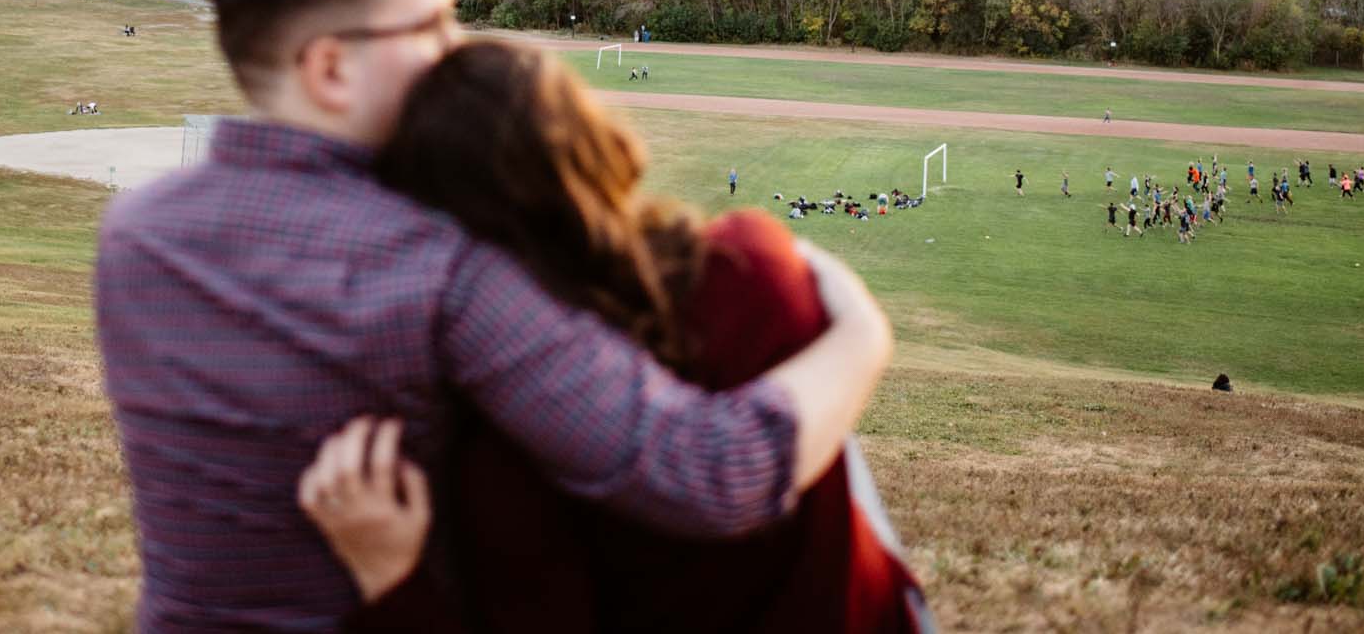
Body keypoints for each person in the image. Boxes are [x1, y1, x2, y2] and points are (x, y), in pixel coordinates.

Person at [94, 0, 901, 631]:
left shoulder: (133, 236)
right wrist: (862, 331)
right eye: (434, 26)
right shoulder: (436, 263)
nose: (460, 49)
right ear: (331, 68)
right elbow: (708, 472)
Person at [305, 40, 927, 633]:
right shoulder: (750, 263)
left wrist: (390, 580)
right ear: (596, 141)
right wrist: (865, 333)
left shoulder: (494, 452)